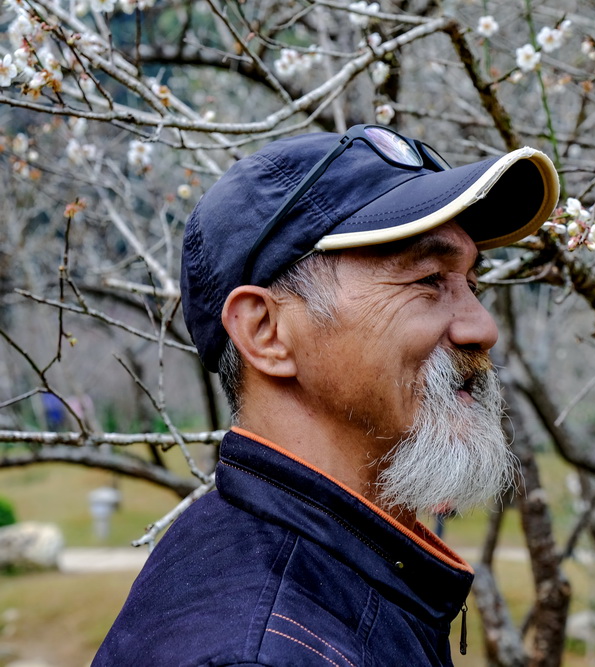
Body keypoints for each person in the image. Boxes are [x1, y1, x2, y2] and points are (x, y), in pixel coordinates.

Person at [94, 126, 559, 666]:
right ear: (266, 332)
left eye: (470, 284)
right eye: (428, 279)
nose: (481, 328)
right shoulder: (260, 652)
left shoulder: (329, 564)